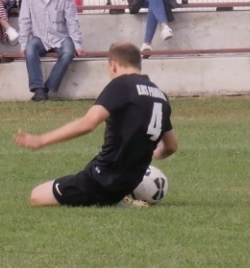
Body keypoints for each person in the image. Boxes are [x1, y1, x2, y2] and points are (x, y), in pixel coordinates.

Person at [14, 42, 176, 207]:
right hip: (131, 182)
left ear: (113, 65)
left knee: (36, 196)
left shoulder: (121, 85)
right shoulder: (160, 95)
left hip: (101, 179)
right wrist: (149, 154)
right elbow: (171, 146)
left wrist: (41, 140)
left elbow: (88, 123)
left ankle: (120, 203)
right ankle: (120, 199)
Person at [18, 0, 81, 101]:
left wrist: (77, 43)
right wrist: (23, 43)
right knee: (29, 49)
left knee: (69, 52)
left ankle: (46, 88)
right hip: (39, 37)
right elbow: (25, 21)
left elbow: (72, 20)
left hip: (61, 37)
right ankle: (38, 88)